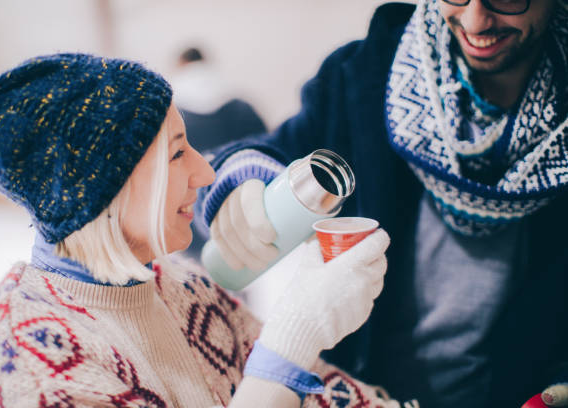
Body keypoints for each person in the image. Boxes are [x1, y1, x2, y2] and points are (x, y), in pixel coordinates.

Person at [0, 53, 410, 407]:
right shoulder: (14, 353)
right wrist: (292, 341)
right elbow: (284, 369)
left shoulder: (185, 288)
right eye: (176, 154)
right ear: (101, 191)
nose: (205, 173)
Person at [195, 0, 568, 407]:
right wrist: (242, 178)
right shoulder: (364, 74)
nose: (476, 20)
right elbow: (269, 153)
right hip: (357, 391)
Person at [170, 47, 267, 260]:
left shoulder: (172, 110)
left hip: (191, 212)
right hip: (242, 208)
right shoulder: (241, 106)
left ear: (180, 65)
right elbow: (266, 148)